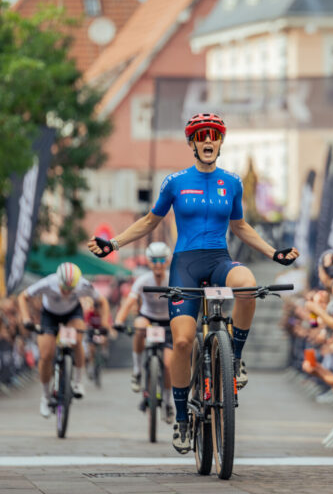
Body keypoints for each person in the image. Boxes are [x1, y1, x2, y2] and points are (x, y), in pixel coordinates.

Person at [87, 112, 298, 454]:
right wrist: (114, 245)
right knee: (183, 342)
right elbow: (149, 221)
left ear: (220, 142)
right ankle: (183, 419)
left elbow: (241, 227)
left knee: (247, 284)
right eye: (201, 136)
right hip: (184, 264)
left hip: (218, 259)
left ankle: (235, 359)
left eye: (213, 135)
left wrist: (275, 254)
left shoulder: (232, 182)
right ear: (192, 144)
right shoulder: (174, 181)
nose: (208, 140)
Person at [17, 262, 111, 418]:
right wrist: (26, 318)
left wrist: (105, 323)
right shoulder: (48, 282)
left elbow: (102, 302)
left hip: (72, 313)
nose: (66, 292)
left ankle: (78, 382)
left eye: (70, 289)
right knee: (46, 355)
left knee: (77, 340)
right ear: (58, 281)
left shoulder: (83, 284)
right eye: (63, 288)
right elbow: (23, 296)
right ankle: (46, 396)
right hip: (49, 315)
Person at [114, 241, 174, 418]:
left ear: (167, 261)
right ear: (148, 261)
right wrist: (119, 320)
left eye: (162, 260)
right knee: (139, 326)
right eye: (154, 260)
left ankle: (168, 402)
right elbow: (129, 302)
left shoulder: (173, 278)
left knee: (169, 366)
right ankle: (137, 370)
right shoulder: (143, 280)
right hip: (148, 318)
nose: (158, 264)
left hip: (167, 323)